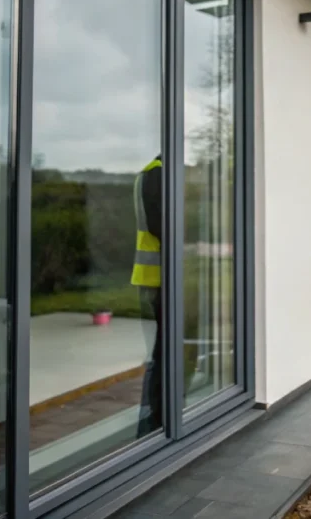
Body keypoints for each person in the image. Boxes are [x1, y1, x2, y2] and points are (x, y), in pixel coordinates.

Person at [133, 155, 164, 438]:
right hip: (156, 277)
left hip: (157, 277)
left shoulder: (153, 171)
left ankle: (158, 411)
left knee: (162, 349)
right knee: (160, 351)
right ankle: (155, 415)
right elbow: (159, 224)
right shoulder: (155, 173)